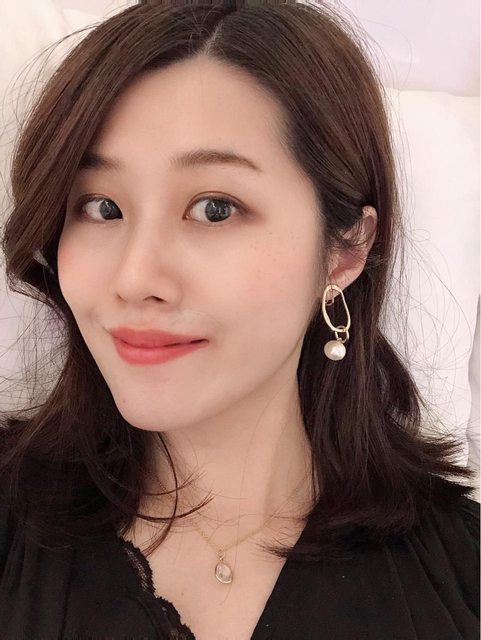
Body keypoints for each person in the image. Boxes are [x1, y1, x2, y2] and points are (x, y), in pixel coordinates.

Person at [0, 1, 478, 638]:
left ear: (345, 249)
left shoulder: (463, 580)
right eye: (102, 207)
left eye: (215, 208)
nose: (136, 279)